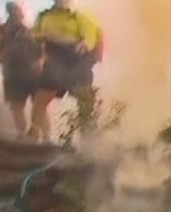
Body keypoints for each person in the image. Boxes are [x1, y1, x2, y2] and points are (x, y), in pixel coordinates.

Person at [28, 0, 101, 143]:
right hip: (55, 61)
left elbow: (90, 38)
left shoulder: (79, 17)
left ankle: (89, 144)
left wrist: (84, 45)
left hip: (77, 62)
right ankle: (38, 138)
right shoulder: (43, 16)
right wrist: (45, 36)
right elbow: (35, 34)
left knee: (85, 104)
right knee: (40, 101)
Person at [0, 2, 40, 138]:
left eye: (18, 12)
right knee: (17, 106)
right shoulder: (2, 31)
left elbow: (40, 50)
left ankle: (39, 134)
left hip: (31, 74)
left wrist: (39, 63)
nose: (18, 14)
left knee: (38, 105)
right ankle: (22, 135)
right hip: (12, 74)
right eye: (15, 12)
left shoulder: (29, 31)